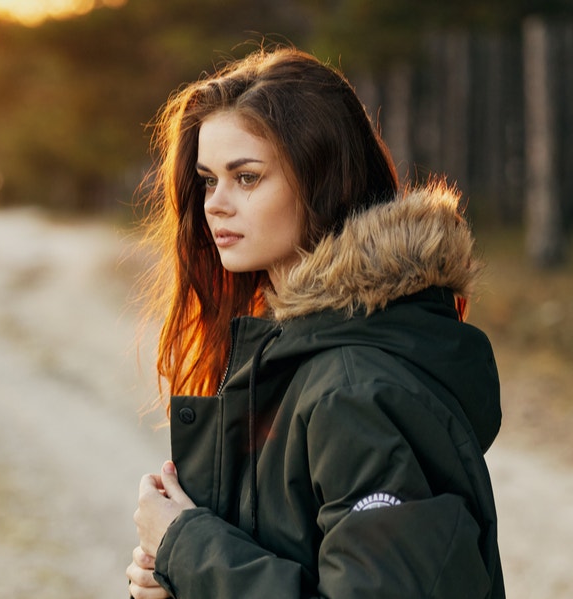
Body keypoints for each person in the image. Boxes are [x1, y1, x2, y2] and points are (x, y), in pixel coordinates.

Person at [126, 46, 505, 599]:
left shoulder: (354, 390)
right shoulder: (291, 353)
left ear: (322, 181)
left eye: (247, 178)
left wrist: (188, 547)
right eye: (209, 180)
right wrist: (175, 573)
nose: (215, 204)